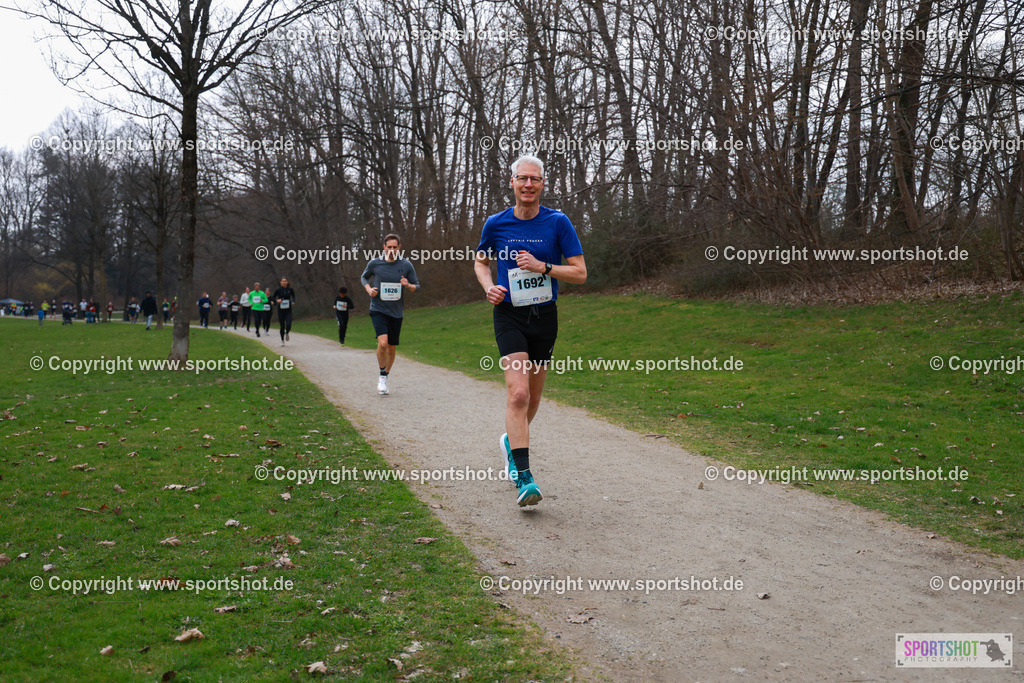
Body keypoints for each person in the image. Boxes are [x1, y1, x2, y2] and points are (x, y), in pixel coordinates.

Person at [473, 155, 586, 507]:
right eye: (522, 178)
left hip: (544, 316)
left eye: (534, 180)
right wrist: (488, 286)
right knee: (518, 394)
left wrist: (544, 266)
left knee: (533, 399)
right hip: (508, 314)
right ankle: (524, 476)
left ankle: (510, 442)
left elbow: (580, 273)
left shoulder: (558, 222)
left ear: (541, 185)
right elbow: (480, 260)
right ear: (512, 182)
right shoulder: (496, 223)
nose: (528, 185)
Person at [361, 234, 420, 395]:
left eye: (395, 247)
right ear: (384, 247)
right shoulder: (375, 263)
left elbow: (417, 286)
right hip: (378, 309)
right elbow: (364, 278)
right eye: (389, 247)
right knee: (383, 344)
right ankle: (381, 375)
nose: (392, 250)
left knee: (392, 348)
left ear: (399, 248)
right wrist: (369, 290)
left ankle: (385, 376)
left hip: (396, 312)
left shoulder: (406, 265)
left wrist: (408, 285)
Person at [272, 278, 296, 345]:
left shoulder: (290, 289)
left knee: (289, 323)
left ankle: (287, 332)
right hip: (281, 310)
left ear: (287, 282)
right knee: (282, 326)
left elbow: (293, 296)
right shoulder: (278, 290)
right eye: (283, 281)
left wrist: (293, 301)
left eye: (285, 281)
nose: (284, 282)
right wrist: (277, 301)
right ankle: (282, 340)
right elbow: (273, 298)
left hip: (288, 310)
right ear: (281, 282)